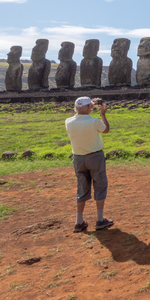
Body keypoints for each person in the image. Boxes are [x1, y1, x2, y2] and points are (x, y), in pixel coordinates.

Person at [65, 96, 113, 232]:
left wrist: (87, 104)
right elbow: (106, 129)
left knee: (81, 187)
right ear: (88, 108)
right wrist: (102, 114)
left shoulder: (68, 122)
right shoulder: (94, 122)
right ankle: (99, 219)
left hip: (78, 158)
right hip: (95, 156)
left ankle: (79, 221)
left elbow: (78, 113)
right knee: (100, 185)